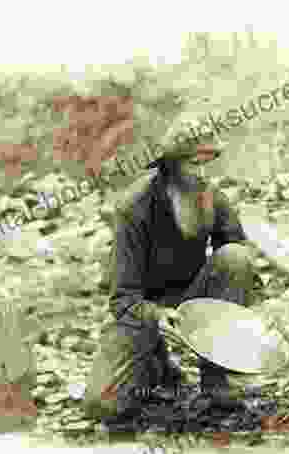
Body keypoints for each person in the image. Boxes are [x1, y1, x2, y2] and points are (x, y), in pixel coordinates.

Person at [84, 112, 257, 419]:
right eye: (194, 164)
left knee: (235, 258)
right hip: (143, 308)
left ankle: (218, 379)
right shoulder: (134, 207)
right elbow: (122, 299)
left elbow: (236, 261)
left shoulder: (211, 196)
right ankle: (156, 365)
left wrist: (237, 321)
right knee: (104, 405)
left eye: (207, 164)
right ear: (170, 167)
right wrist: (158, 316)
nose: (203, 174)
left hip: (193, 299)